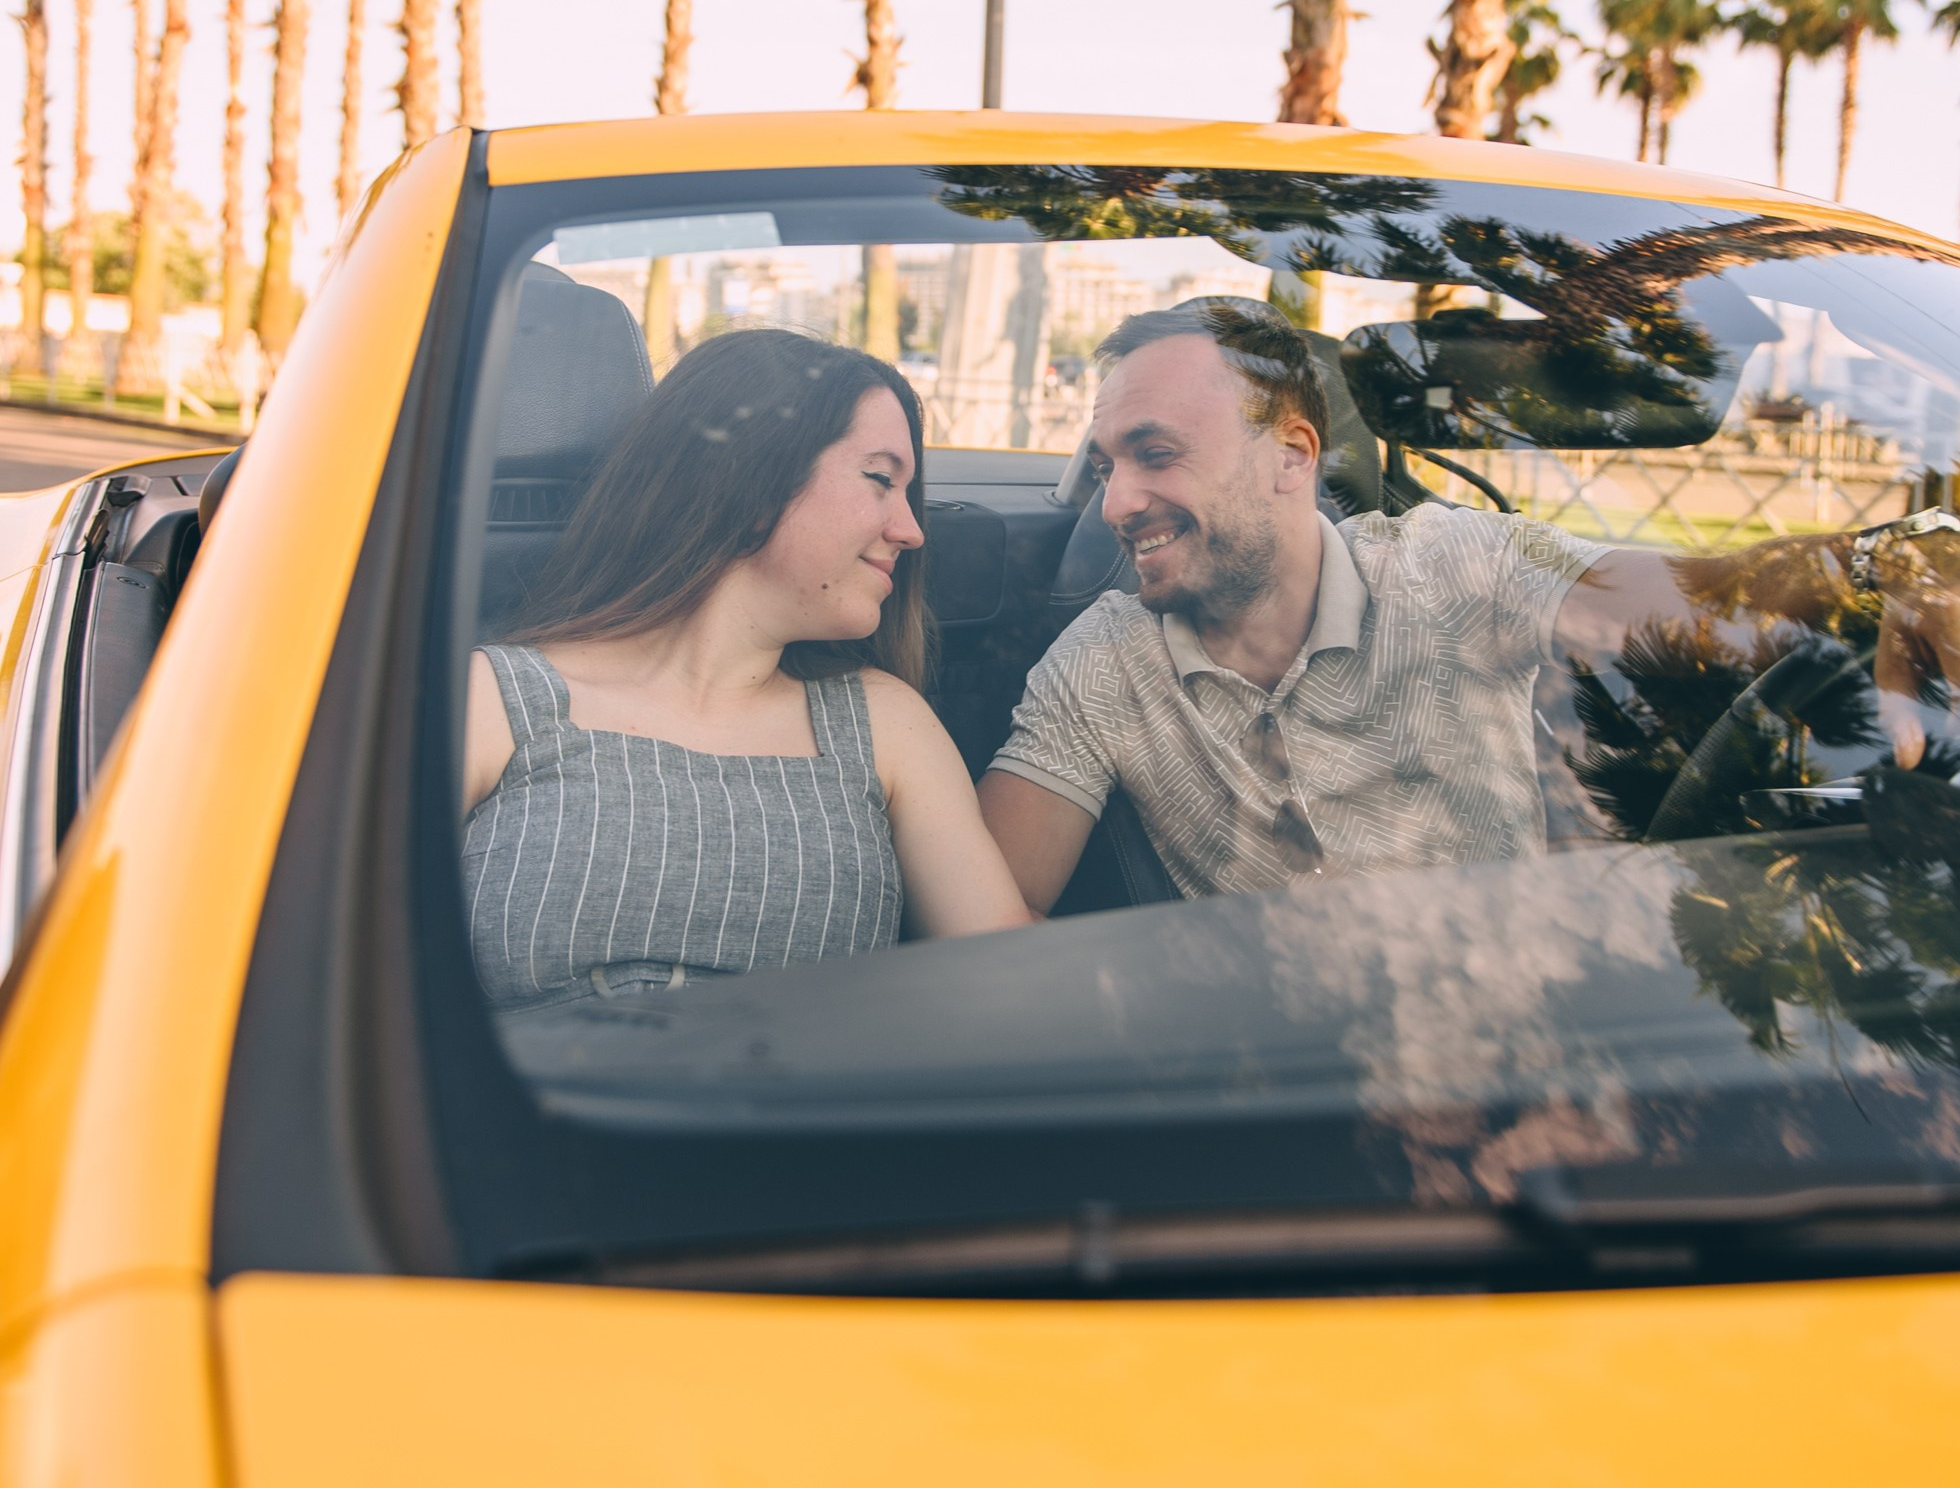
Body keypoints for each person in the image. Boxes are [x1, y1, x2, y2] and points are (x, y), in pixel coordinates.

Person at [978, 294, 1960, 912]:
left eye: (1154, 456)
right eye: (1108, 466)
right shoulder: (1102, 659)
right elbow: (983, 922)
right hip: (1272, 1107)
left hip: (1533, 1063)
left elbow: (1696, 603)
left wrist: (1883, 564)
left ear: (1291, 457)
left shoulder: (1458, 562)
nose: (1112, 503)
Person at [463, 326, 1029, 1001]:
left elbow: (1014, 981)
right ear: (754, 477)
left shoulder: (884, 725)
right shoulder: (494, 700)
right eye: (880, 479)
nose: (911, 530)